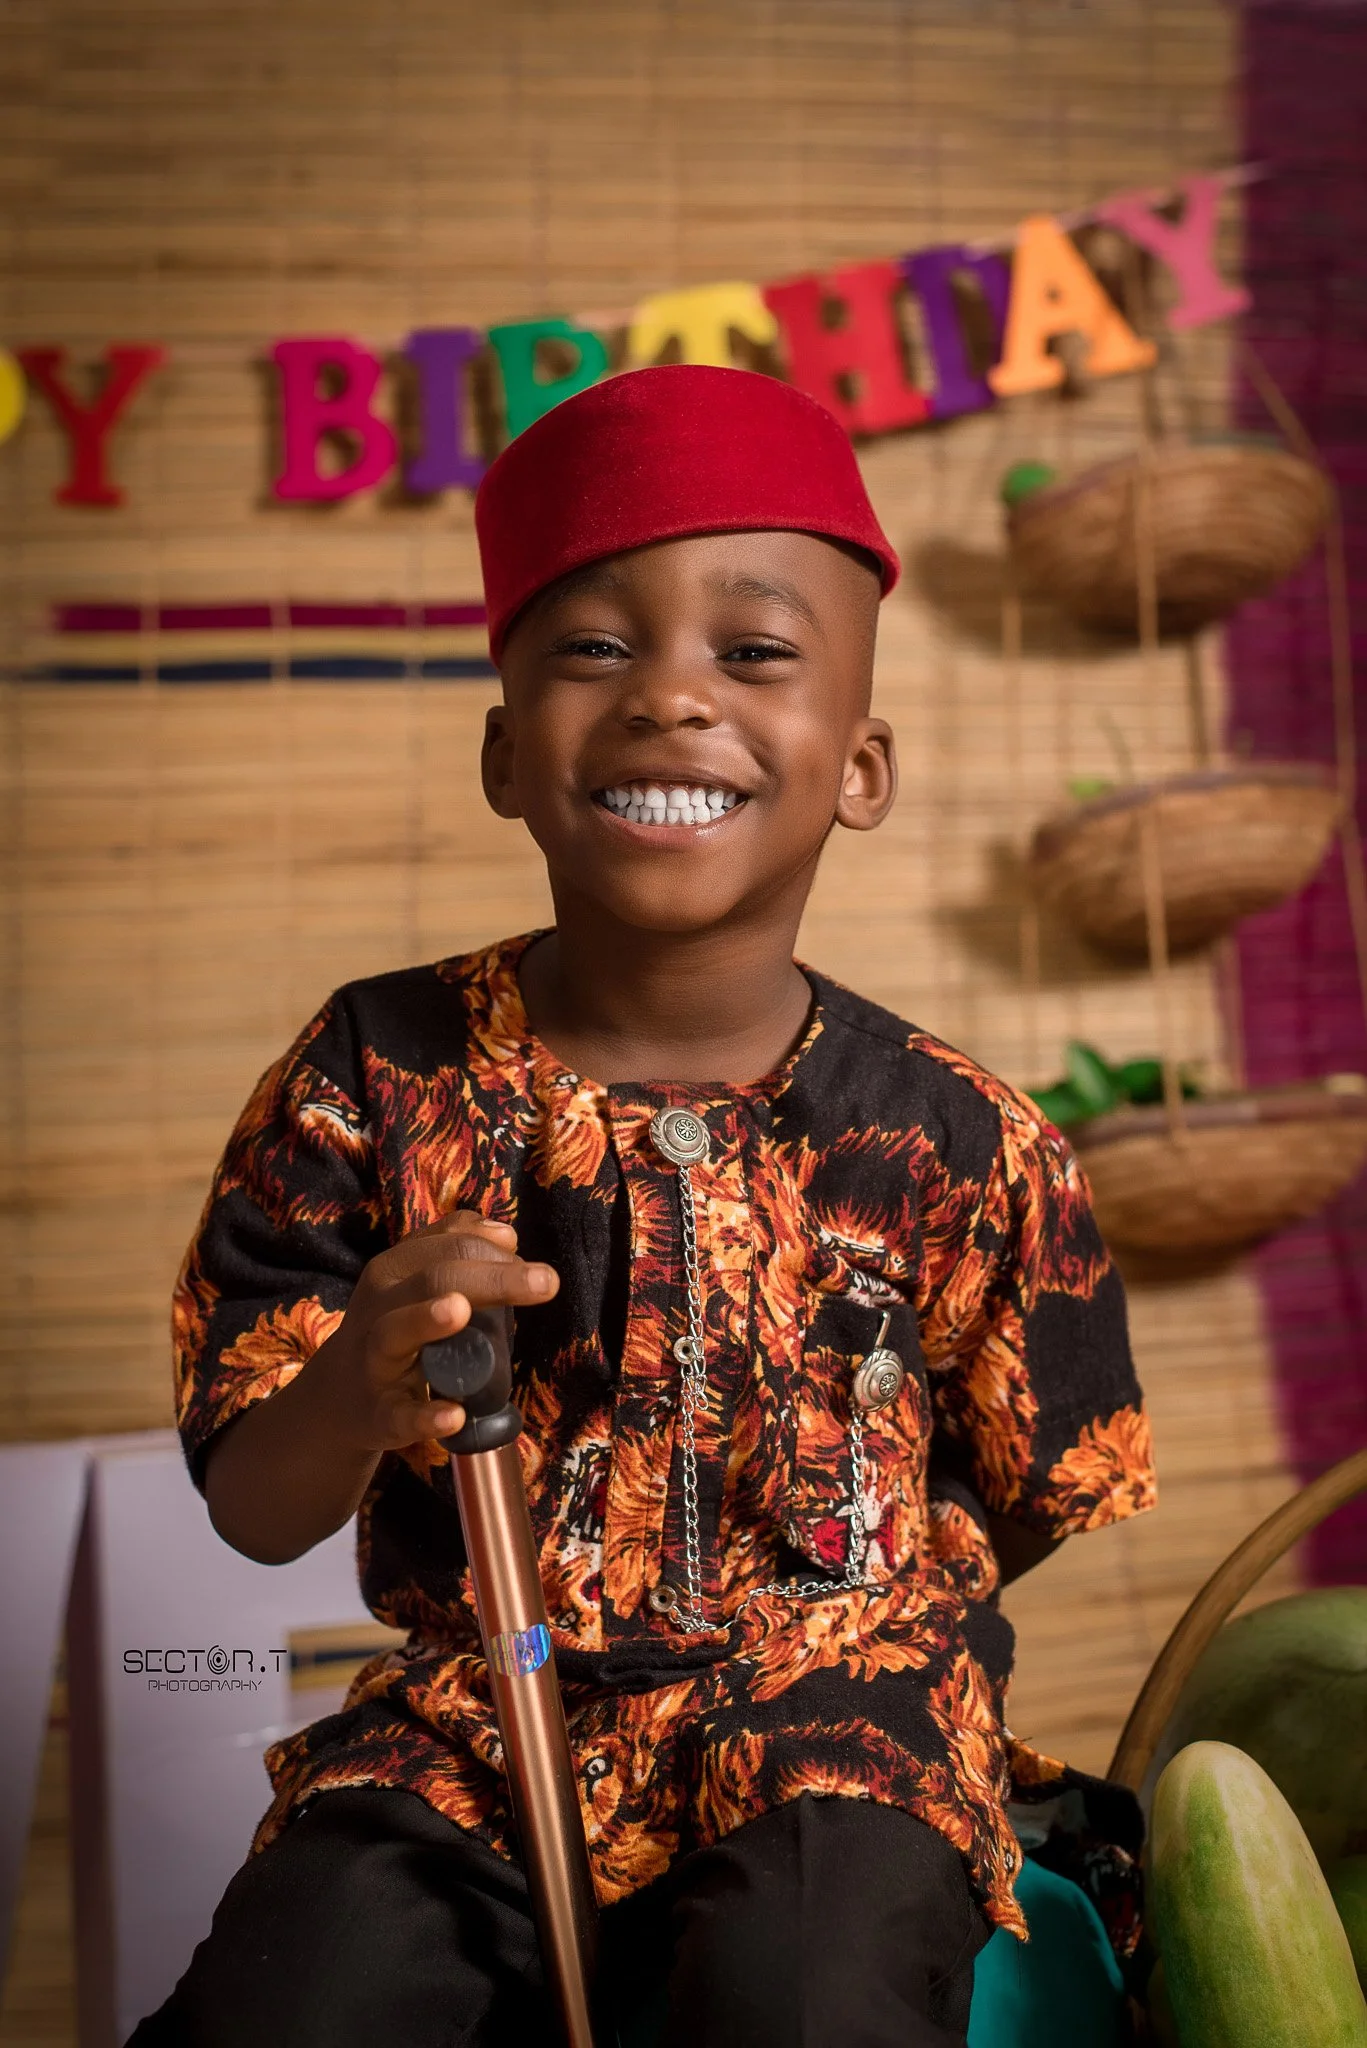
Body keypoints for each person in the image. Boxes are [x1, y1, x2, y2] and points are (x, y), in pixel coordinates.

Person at [130, 364, 1156, 2048]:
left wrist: (851, 1610)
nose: (670, 701)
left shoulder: (970, 1143)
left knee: (803, 1989)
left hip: (840, 1734)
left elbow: (1027, 1491)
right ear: (500, 754)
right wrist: (360, 1375)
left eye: (753, 654)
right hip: (476, 1728)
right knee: (299, 1992)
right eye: (593, 650)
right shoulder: (371, 1071)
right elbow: (255, 1505)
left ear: (861, 766)